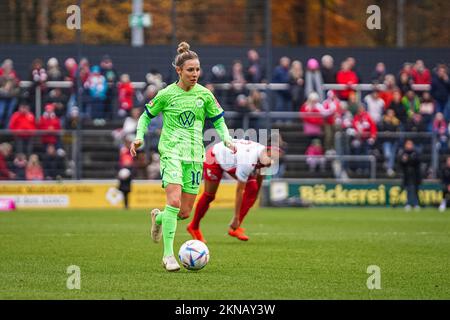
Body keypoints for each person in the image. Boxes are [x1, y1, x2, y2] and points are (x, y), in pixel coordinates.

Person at [130, 41, 235, 272]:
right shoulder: (167, 94)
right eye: (190, 70)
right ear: (179, 71)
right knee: (174, 201)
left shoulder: (205, 95)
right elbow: (145, 116)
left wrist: (226, 138)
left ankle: (158, 219)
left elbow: (218, 120)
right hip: (172, 152)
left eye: (197, 69)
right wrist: (139, 136)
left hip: (195, 156)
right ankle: (168, 255)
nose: (195, 74)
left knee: (184, 212)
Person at [187, 139, 278, 243]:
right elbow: (239, 190)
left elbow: (261, 175)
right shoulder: (248, 161)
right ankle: (193, 226)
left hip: (231, 159)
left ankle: (235, 228)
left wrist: (255, 195)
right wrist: (235, 217)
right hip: (214, 157)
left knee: (253, 189)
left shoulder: (265, 156)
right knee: (209, 196)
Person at [398, 140, 422, 211]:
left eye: (410, 144)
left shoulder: (415, 153)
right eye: (407, 144)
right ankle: (408, 203)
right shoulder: (403, 153)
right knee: (408, 190)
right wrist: (404, 160)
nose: (409, 146)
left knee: (415, 190)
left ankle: (416, 204)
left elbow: (417, 161)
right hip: (406, 174)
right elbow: (400, 162)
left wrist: (408, 159)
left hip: (415, 175)